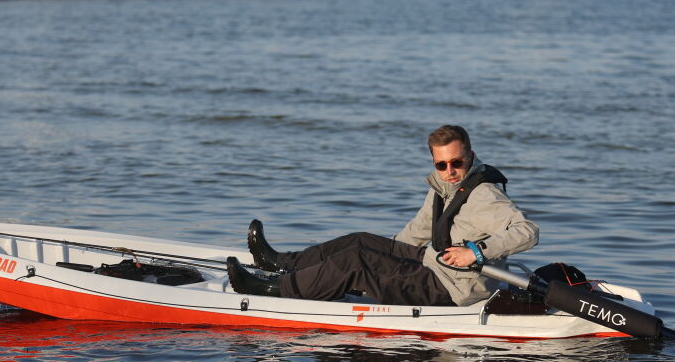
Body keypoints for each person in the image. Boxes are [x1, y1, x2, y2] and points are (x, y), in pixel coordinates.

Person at [226, 125, 539, 306]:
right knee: (360, 243)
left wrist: (475, 252)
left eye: (456, 163)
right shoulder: (445, 186)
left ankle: (271, 290)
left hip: (453, 288)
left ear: (470, 156)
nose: (450, 171)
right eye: (441, 165)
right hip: (433, 262)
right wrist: (382, 255)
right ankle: (280, 263)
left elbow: (527, 231)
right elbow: (417, 231)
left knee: (356, 263)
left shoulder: (484, 195)